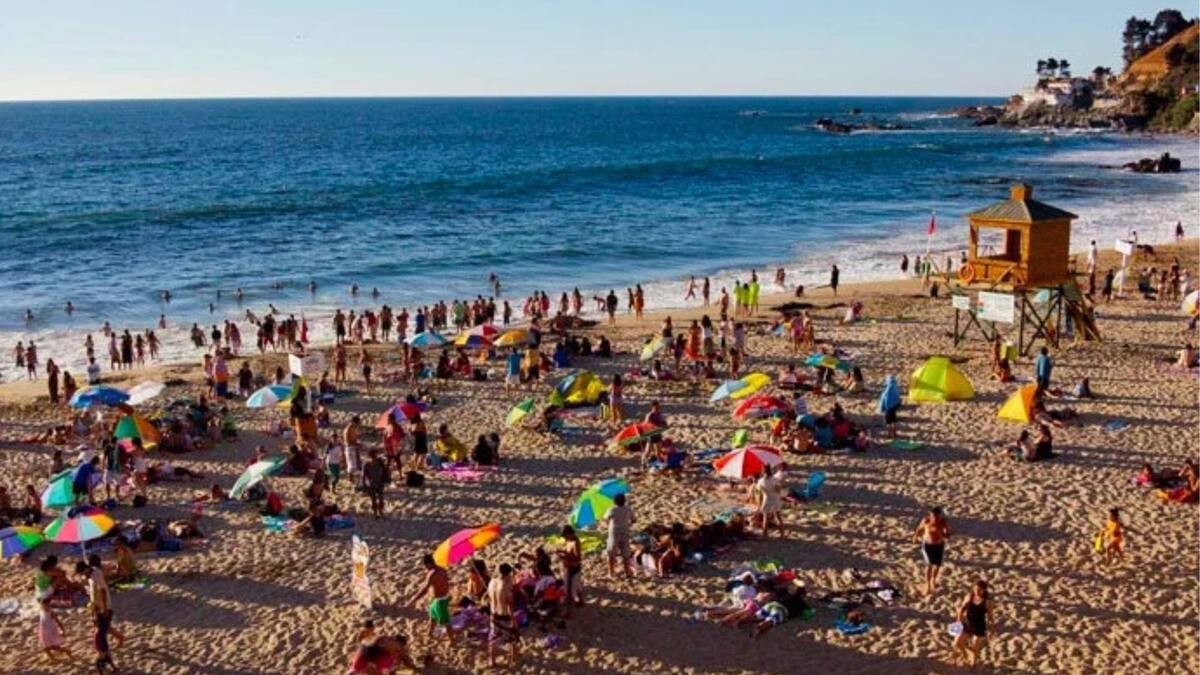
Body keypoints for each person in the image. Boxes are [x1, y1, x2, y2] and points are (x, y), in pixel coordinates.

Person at [408, 554, 455, 647]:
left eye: (425, 566)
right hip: (439, 599)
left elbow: (424, 589)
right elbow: (446, 582)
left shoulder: (432, 574)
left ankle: (452, 640)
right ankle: (430, 632)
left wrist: (414, 599)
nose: (425, 568)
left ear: (428, 564)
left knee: (445, 622)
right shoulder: (442, 569)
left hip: (439, 601)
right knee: (432, 616)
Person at [952, 579, 994, 668]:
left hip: (979, 626)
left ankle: (974, 662)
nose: (977, 592)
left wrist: (991, 629)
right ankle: (965, 653)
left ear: (984, 590)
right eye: (975, 589)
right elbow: (961, 610)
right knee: (957, 644)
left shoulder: (987, 602)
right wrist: (958, 622)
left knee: (975, 645)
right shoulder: (969, 597)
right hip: (967, 623)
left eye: (979, 590)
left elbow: (990, 617)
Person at [486, 563, 519, 668]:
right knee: (512, 637)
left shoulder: (491, 582)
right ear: (508, 574)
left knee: (493, 638)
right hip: (504, 615)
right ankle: (513, 658)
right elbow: (510, 604)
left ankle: (492, 661)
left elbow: (489, 598)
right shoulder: (506, 585)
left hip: (493, 614)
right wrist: (514, 620)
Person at [913, 507, 950, 594]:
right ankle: (927, 584)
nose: (935, 519)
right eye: (933, 517)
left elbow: (948, 533)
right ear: (930, 515)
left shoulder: (943, 523)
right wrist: (915, 536)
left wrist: (943, 534)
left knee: (937, 565)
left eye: (937, 517)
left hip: (939, 545)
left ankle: (933, 579)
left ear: (940, 516)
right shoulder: (926, 521)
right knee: (929, 564)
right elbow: (919, 529)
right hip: (927, 545)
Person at [604, 493, 634, 579]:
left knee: (611, 554)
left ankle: (611, 573)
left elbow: (605, 518)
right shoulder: (628, 509)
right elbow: (634, 520)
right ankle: (627, 572)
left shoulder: (612, 510)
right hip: (625, 532)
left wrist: (608, 523)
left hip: (614, 533)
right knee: (626, 554)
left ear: (614, 501)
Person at [558, 525, 585, 615]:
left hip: (572, 568)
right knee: (577, 586)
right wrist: (563, 553)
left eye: (565, 536)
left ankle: (568, 612)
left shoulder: (576, 543)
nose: (564, 538)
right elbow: (569, 552)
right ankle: (581, 601)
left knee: (569, 591)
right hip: (569, 567)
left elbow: (578, 558)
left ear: (569, 534)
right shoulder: (569, 540)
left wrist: (566, 558)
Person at [37, 597, 73, 663]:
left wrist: (62, 629)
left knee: (51, 646)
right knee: (45, 646)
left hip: (50, 631)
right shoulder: (41, 610)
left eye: (46, 604)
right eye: (43, 604)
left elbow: (58, 621)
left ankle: (66, 651)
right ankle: (53, 658)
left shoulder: (50, 612)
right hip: (43, 631)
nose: (45, 606)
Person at [755, 465, 784, 538]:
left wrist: (759, 504)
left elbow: (759, 493)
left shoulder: (760, 481)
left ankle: (765, 535)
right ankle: (782, 534)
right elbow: (778, 490)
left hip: (766, 499)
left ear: (762, 471)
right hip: (775, 498)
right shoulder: (775, 479)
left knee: (765, 517)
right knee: (778, 516)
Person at [362, 450, 387, 519]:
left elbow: (384, 471)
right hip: (372, 484)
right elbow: (363, 476)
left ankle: (380, 512)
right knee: (374, 499)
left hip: (379, 482)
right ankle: (375, 513)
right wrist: (364, 485)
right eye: (373, 456)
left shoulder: (380, 462)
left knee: (381, 498)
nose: (374, 457)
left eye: (375, 455)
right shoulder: (366, 464)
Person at [878, 374, 901, 439]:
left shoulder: (886, 391)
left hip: (888, 408)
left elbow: (883, 400)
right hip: (894, 407)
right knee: (893, 420)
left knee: (888, 422)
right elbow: (898, 398)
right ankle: (894, 433)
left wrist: (882, 408)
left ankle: (888, 434)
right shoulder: (895, 388)